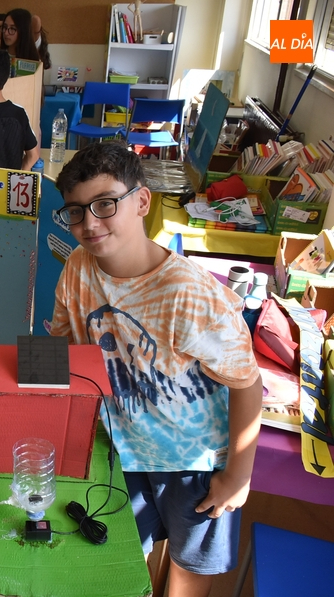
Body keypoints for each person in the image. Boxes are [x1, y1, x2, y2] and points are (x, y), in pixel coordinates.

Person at [50, 142, 262, 597]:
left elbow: (248, 383)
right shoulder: (76, 268)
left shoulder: (189, 294)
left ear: (141, 201)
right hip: (122, 451)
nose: (89, 223)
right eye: (75, 211)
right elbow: (65, 348)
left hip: (195, 464)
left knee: (188, 571)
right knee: (119, 556)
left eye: (105, 204)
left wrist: (238, 475)